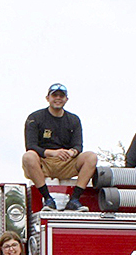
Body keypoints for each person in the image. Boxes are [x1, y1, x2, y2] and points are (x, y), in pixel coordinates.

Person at [20, 83, 97, 212]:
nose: (58, 98)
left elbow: (78, 145)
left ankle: (75, 200)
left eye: (61, 96)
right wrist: (53, 153)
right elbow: (30, 146)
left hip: (66, 163)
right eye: (54, 95)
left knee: (91, 157)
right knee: (28, 156)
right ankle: (48, 199)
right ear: (47, 98)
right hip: (43, 163)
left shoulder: (73, 119)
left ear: (66, 99)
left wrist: (72, 152)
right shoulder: (35, 118)